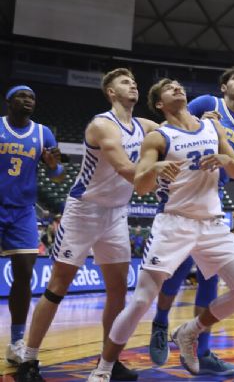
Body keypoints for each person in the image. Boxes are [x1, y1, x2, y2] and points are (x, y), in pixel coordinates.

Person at [86, 79, 234, 381]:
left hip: (212, 222)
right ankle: (104, 368)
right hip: (174, 222)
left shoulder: (211, 127)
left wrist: (225, 158)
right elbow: (141, 185)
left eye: (179, 86)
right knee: (140, 302)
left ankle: (190, 331)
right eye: (168, 88)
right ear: (159, 104)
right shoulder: (158, 138)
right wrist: (154, 169)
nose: (177, 88)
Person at [16, 70, 160, 381]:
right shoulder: (101, 125)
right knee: (58, 287)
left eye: (135, 80)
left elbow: (177, 134)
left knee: (119, 292)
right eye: (125, 82)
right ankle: (28, 360)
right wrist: (158, 172)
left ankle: (110, 360)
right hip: (84, 212)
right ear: (111, 92)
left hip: (116, 214)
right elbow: (125, 169)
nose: (133, 84)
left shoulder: (146, 126)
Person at [147, 66, 234, 375]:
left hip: (211, 198)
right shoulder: (207, 104)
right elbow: (167, 128)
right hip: (181, 195)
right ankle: (160, 320)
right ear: (223, 87)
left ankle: (201, 348)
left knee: (211, 279)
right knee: (177, 269)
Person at [1, 85, 63, 368]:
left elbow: (58, 176)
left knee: (25, 270)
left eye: (32, 97)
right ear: (8, 102)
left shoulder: (43, 133)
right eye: (22, 96)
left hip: (23, 211)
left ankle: (16, 342)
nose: (28, 100)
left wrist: (53, 166)